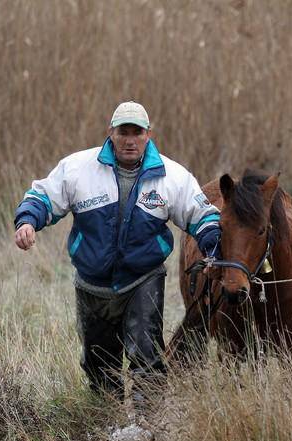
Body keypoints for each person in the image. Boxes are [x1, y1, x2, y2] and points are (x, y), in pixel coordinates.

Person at [14, 101, 221, 408]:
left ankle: (147, 427)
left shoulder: (171, 176)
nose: (129, 139)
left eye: (136, 132)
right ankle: (106, 422)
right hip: (91, 283)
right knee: (98, 363)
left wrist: (213, 248)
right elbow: (43, 196)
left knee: (147, 356)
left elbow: (202, 216)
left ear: (148, 135)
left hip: (143, 279)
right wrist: (27, 221)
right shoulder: (77, 168)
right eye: (123, 132)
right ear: (110, 133)